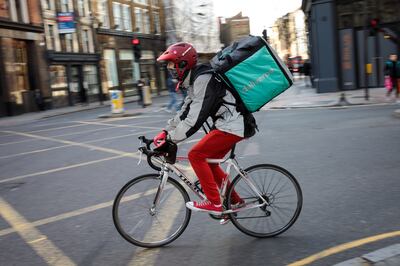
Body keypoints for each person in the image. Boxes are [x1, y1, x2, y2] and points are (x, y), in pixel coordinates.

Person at [154, 42, 257, 215]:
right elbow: (184, 111)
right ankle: (235, 201)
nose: (170, 68)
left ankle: (214, 203)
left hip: (233, 126)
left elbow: (194, 119)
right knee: (210, 162)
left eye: (172, 64)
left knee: (196, 155)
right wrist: (166, 131)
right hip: (229, 125)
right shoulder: (195, 80)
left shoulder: (203, 79)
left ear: (182, 63)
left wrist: (171, 139)